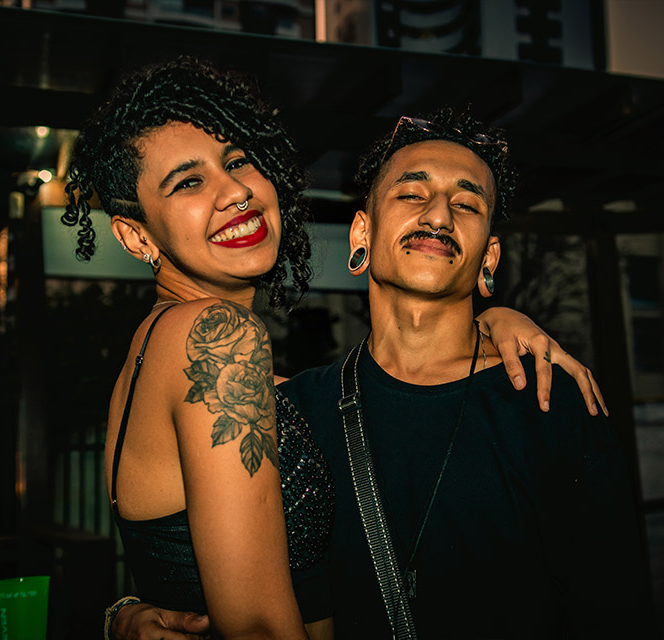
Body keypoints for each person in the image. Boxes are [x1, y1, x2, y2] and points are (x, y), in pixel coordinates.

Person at [73, 59, 611, 640]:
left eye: (237, 161)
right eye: (188, 182)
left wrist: (494, 321)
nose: (234, 191)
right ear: (134, 234)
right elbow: (256, 626)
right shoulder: (217, 337)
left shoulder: (268, 390)